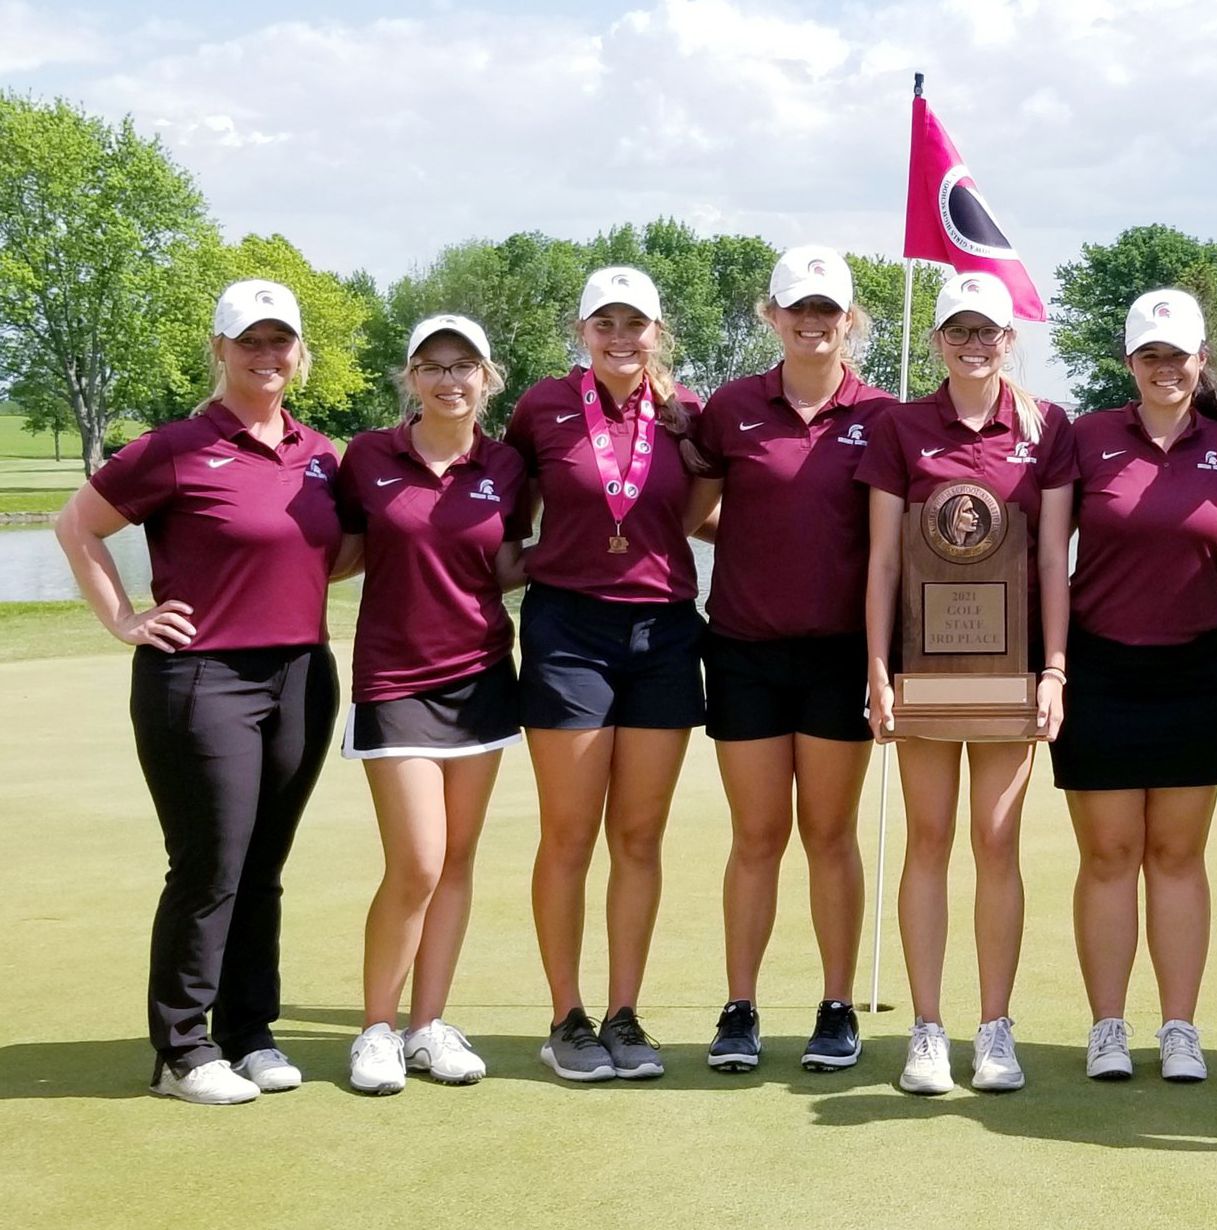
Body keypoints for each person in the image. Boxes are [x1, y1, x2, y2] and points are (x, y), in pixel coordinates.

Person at [55, 280, 344, 1104]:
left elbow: (333, 552)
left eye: (279, 340)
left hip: (300, 674)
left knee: (263, 866)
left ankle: (249, 1034)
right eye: (248, 340)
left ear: (298, 352)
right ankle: (182, 1048)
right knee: (209, 863)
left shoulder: (320, 454)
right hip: (202, 677)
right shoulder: (175, 446)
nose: (266, 355)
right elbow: (77, 525)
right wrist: (123, 618)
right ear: (218, 349)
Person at [858, 271, 1076, 1095]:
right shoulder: (899, 425)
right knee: (928, 839)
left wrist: (1053, 669)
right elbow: (881, 559)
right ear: (939, 338)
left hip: (1009, 669)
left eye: (987, 331)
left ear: (1008, 338)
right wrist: (877, 669)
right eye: (959, 331)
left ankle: (994, 1029)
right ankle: (925, 1030)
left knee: (995, 841)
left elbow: (1053, 557)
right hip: (921, 669)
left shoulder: (1043, 425)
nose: (974, 344)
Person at [686, 246, 895, 1072]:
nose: (812, 322)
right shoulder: (733, 408)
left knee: (830, 834)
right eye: (797, 308)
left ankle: (836, 1006)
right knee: (757, 835)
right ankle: (740, 1008)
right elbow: (695, 515)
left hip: (840, 656)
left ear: (850, 321)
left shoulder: (883, 415)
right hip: (742, 650)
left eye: (828, 310)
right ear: (771, 315)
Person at [504, 267, 709, 1082]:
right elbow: (503, 512)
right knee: (569, 833)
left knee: (638, 836)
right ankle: (566, 1017)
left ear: (658, 331)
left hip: (662, 630)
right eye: (605, 323)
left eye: (636, 323)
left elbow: (704, 507)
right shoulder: (543, 406)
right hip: (567, 628)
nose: (621, 337)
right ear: (582, 330)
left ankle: (625, 1014)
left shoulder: (687, 412)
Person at [1051, 290, 1217, 1083]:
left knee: (1176, 855)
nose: (1165, 368)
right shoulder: (1088, 437)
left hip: (1197, 669)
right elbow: (1039, 549)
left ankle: (1179, 1029)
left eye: (1178, 354)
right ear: (1128, 362)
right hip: (1099, 667)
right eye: (1150, 355)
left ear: (1201, 359)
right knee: (1107, 855)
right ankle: (1107, 1027)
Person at [336, 315, 532, 1094]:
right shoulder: (368, 456)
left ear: (488, 379)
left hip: (481, 676)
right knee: (415, 861)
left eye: (464, 366)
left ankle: (428, 1026)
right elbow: (335, 549)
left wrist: (578, 551)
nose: (450, 380)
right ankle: (375, 1029)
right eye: (433, 366)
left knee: (454, 861)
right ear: (410, 379)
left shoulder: (507, 465)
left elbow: (506, 561)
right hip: (394, 681)